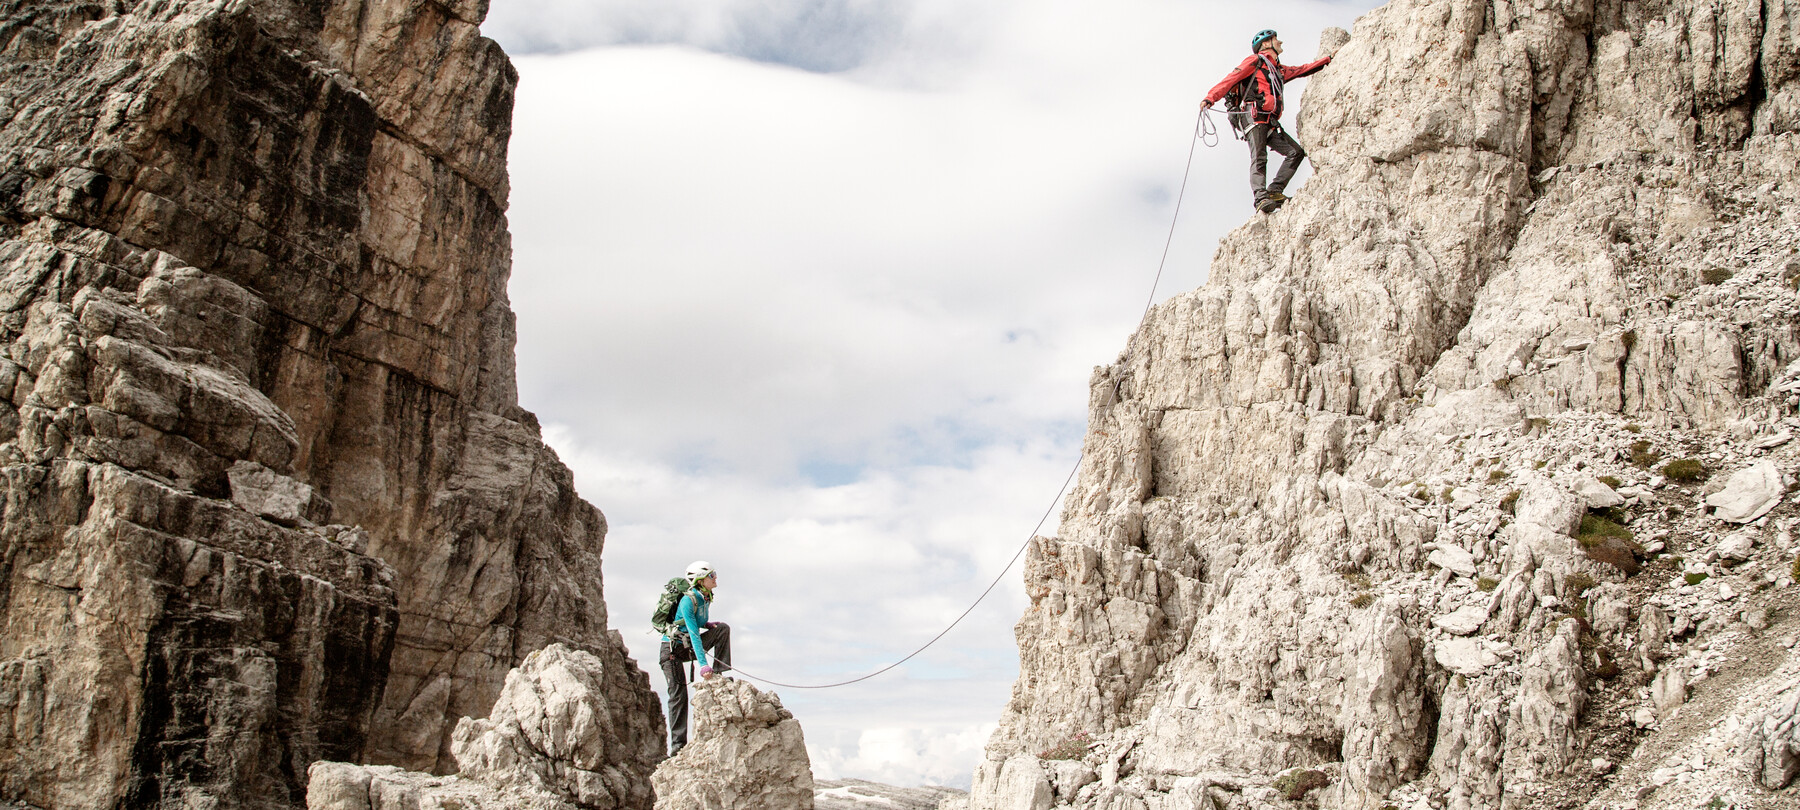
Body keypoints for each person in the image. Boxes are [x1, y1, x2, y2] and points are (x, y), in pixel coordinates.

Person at [1201, 29, 1332, 213]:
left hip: (1269, 121)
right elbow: (1231, 79)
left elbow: (1301, 70)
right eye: (1275, 39)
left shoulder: (1277, 70)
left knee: (1296, 152)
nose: (1280, 42)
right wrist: (1210, 98)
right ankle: (1260, 198)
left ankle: (1274, 191)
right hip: (1253, 117)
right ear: (1265, 44)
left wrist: (1328, 60)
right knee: (1259, 157)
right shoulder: (1254, 62)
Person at [660, 560, 731, 755]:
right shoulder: (687, 600)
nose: (715, 578)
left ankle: (721, 672)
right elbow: (692, 633)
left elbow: (696, 623)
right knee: (678, 695)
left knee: (722, 629)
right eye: (711, 575)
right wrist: (702, 665)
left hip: (686, 646)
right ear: (700, 579)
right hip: (672, 651)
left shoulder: (706, 596)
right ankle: (677, 747)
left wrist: (707, 625)